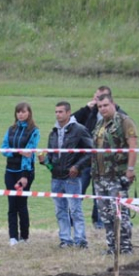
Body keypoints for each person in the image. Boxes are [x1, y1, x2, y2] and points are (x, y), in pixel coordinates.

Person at [39, 102, 93, 249]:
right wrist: (45, 162)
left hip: (72, 177)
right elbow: (51, 155)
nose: (58, 114)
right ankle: (65, 239)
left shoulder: (80, 130)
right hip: (56, 177)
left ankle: (80, 240)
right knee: (60, 210)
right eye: (56, 112)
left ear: (69, 113)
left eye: (61, 112)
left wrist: (78, 166)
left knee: (76, 210)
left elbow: (91, 152)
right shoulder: (53, 132)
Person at [73, 86, 127, 229]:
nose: (97, 102)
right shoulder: (91, 112)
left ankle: (99, 222)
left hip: (108, 165)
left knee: (100, 194)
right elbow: (72, 120)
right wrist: (86, 108)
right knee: (80, 189)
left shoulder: (121, 116)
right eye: (96, 98)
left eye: (100, 99)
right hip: (87, 159)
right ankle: (73, 220)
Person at [91, 94, 137, 255]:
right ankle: (112, 247)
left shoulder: (124, 121)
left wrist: (130, 170)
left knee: (120, 214)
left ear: (113, 104)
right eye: (99, 107)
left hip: (117, 176)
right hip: (99, 176)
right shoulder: (99, 125)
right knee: (105, 215)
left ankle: (125, 247)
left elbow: (133, 146)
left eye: (105, 105)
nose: (102, 109)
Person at [1, 102, 40, 246]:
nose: (21, 114)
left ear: (29, 113)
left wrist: (24, 175)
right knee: (11, 205)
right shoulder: (11, 129)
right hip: (9, 171)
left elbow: (29, 154)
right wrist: (17, 151)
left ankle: (24, 236)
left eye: (24, 111)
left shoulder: (34, 131)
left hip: (25, 172)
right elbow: (4, 149)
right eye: (18, 112)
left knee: (21, 205)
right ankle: (13, 236)